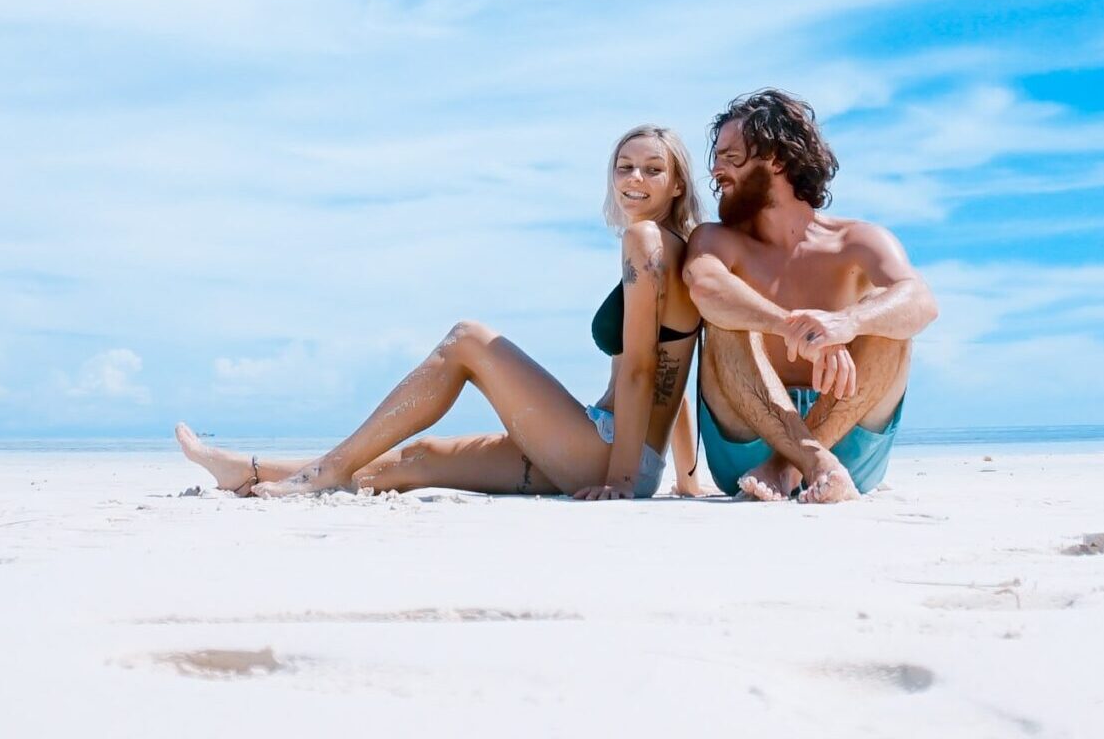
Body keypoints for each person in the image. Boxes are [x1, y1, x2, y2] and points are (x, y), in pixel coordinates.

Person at [175, 125, 710, 499]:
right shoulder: (678, 251)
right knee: (421, 459)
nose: (635, 179)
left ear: (677, 184)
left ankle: (323, 472)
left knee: (468, 339)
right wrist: (681, 476)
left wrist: (622, 482)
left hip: (608, 454)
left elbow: (642, 371)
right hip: (621, 451)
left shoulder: (644, 241)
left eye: (652, 170)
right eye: (625, 167)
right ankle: (246, 470)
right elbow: (675, 376)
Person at [684, 89, 936, 503]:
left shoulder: (857, 239)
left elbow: (921, 301)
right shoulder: (715, 240)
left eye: (731, 157)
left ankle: (787, 467)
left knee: (890, 319)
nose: (715, 170)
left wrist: (847, 322)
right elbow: (705, 286)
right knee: (727, 317)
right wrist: (796, 328)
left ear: (777, 161)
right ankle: (810, 461)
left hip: (846, 436)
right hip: (748, 438)